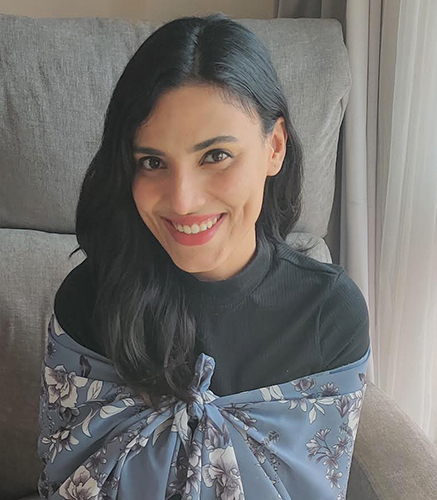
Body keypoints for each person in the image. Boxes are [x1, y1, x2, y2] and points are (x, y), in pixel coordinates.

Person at [37, 12, 371, 500]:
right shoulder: (90, 300)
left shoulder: (328, 315)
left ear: (274, 147)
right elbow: (64, 478)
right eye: (153, 162)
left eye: (215, 155)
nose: (183, 200)